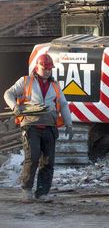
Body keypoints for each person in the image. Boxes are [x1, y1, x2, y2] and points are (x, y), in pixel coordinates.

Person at [4, 53, 73, 201]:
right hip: (31, 125)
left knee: (48, 162)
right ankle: (27, 189)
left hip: (49, 126)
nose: (47, 71)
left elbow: (64, 104)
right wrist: (14, 106)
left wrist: (69, 123)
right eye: (45, 68)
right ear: (37, 67)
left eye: (50, 68)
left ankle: (42, 193)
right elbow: (8, 94)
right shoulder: (26, 81)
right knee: (33, 157)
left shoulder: (55, 85)